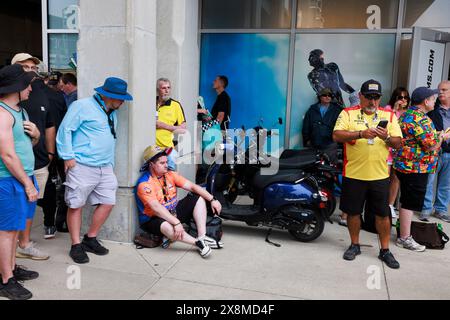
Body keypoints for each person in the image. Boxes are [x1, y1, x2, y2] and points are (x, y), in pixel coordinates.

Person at [56, 77, 133, 264]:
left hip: (105, 166)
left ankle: (90, 238)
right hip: (81, 165)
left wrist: (110, 164)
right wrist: (67, 156)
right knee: (75, 204)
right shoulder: (82, 106)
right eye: (120, 98)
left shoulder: (111, 111)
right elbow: (65, 130)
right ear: (107, 95)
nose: (123, 102)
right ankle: (75, 245)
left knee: (108, 201)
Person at [333, 79, 403, 269]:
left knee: (382, 215)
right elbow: (337, 135)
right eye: (369, 97)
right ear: (360, 96)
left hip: (379, 176)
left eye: (376, 97)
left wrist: (386, 137)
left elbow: (398, 143)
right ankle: (355, 245)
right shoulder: (348, 113)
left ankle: (385, 250)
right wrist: (360, 134)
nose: (373, 102)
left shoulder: (389, 115)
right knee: (353, 213)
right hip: (354, 174)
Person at [136, 145, 223, 258]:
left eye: (166, 162)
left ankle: (202, 236)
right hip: (153, 219)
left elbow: (192, 186)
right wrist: (176, 222)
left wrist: (212, 199)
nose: (166, 165)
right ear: (151, 164)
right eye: (162, 163)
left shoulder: (169, 174)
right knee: (167, 227)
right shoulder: (144, 184)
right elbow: (156, 209)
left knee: (197, 197)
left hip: (173, 211)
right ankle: (197, 243)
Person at [0, 64, 40, 300]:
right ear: (17, 88)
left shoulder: (20, 112)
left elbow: (25, 147)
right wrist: (27, 183)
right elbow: (6, 155)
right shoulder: (2, 114)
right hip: (8, 180)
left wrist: (35, 135)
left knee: (15, 229)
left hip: (22, 176)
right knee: (6, 231)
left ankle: (11, 268)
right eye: (28, 85)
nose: (31, 90)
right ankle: (6, 280)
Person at [394, 87, 450, 252]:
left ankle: (404, 234)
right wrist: (442, 137)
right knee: (409, 204)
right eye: (433, 99)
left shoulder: (407, 114)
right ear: (425, 101)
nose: (435, 101)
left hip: (405, 166)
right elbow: (432, 146)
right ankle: (404, 238)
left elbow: (419, 138)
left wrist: (437, 135)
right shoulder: (421, 119)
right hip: (415, 168)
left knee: (406, 201)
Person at [12, 53, 54, 259]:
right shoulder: (6, 101)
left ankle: (23, 243)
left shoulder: (37, 92)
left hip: (36, 162)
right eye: (25, 67)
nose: (31, 71)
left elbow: (48, 125)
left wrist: (47, 148)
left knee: (29, 207)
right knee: (12, 212)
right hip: (10, 169)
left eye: (32, 67)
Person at [421, 81, 450, 222]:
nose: (440, 93)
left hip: (449, 152)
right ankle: (425, 209)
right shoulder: (432, 109)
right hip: (435, 151)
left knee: (446, 184)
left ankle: (441, 210)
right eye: (439, 90)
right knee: (428, 181)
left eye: (444, 90)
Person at [384, 87, 410, 219]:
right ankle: (382, 204)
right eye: (400, 97)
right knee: (385, 177)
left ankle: (390, 205)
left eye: (405, 97)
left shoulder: (409, 112)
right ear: (395, 98)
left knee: (396, 178)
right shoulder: (388, 109)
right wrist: (394, 109)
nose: (403, 100)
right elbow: (385, 125)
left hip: (401, 149)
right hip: (388, 148)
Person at [156, 78, 186, 171]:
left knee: (169, 177)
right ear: (157, 90)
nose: (167, 91)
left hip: (167, 149)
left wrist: (163, 125)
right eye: (163, 88)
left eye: (168, 88)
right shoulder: (150, 102)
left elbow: (183, 130)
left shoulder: (175, 105)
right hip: (151, 148)